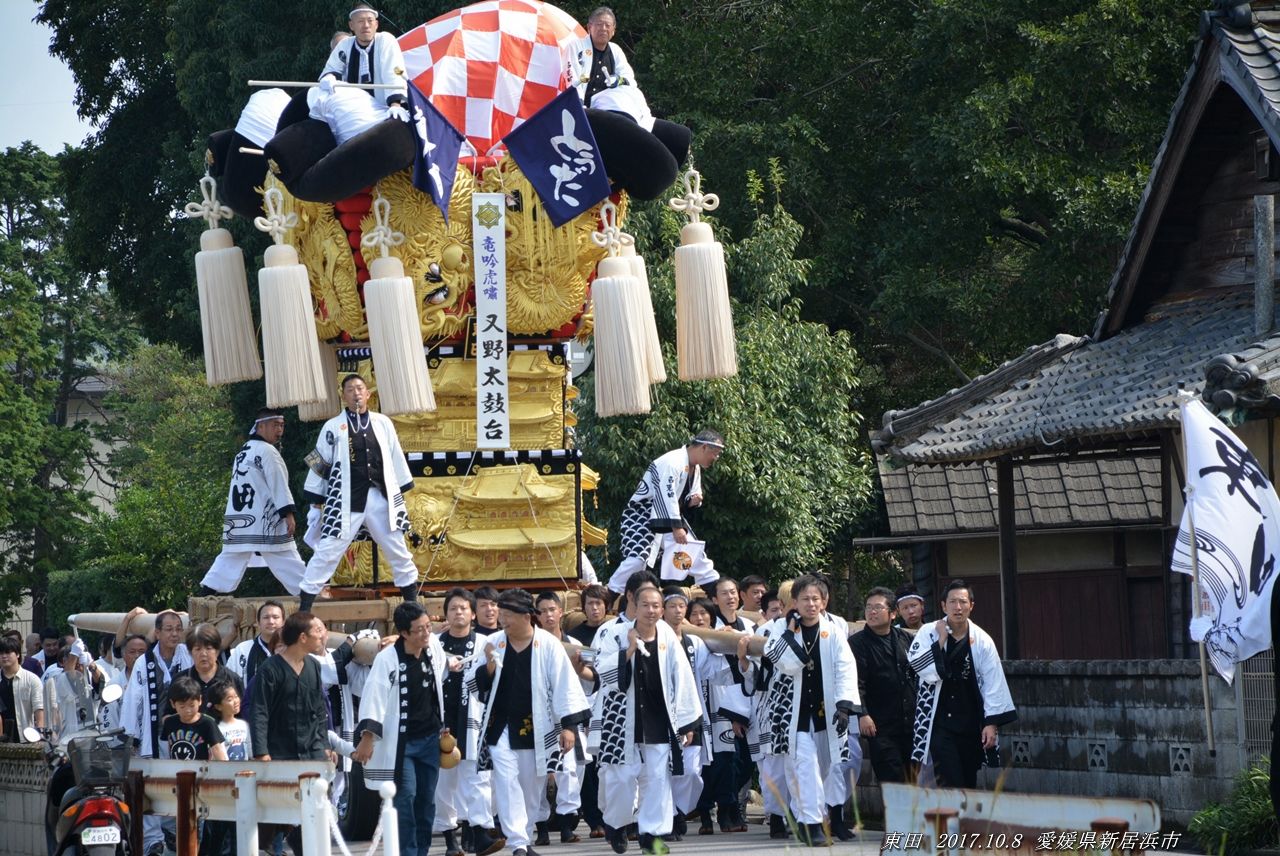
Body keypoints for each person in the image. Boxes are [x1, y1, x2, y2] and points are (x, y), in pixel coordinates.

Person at [471, 590, 591, 856]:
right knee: (506, 779)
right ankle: (517, 845)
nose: (502, 620)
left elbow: (565, 687)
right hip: (499, 727)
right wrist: (489, 665)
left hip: (537, 728)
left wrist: (569, 727)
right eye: (500, 615)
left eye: (508, 616)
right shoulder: (493, 642)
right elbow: (473, 683)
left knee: (530, 786)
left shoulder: (548, 645)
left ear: (527, 617)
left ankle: (523, 839)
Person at [752, 575, 861, 847]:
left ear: (824, 602)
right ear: (794, 603)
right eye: (805, 599)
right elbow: (784, 662)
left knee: (823, 768)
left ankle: (803, 818)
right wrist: (790, 632)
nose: (811, 604)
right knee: (805, 767)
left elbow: (845, 667)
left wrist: (845, 706)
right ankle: (812, 825)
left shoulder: (833, 630)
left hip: (826, 712)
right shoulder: (778, 628)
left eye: (816, 599)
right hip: (793, 714)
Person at [592, 583, 700, 855]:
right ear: (634, 606)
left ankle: (651, 835)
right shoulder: (614, 633)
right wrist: (627, 651)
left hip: (658, 718)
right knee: (620, 779)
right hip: (621, 720)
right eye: (645, 605)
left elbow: (682, 677)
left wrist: (687, 723)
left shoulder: (667, 636)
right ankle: (616, 824)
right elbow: (600, 673)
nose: (651, 611)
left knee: (656, 780)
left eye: (656, 606)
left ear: (661, 609)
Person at [300, 374, 420, 612]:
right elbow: (319, 461)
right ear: (343, 396)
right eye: (350, 389)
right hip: (345, 499)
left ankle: (412, 603)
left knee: (396, 546)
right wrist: (316, 501)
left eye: (360, 388)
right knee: (328, 550)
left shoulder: (382, 422)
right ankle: (304, 607)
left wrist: (402, 488)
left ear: (368, 394)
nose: (356, 393)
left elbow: (395, 454)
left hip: (379, 495)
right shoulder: (333, 425)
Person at [354, 601, 454, 856]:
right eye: (419, 629)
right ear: (404, 633)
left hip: (430, 738)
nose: (426, 633)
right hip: (402, 744)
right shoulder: (387, 659)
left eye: (428, 627)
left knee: (426, 801)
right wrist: (367, 738)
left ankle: (422, 850)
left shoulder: (433, 648)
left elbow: (438, 686)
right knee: (405, 797)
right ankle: (407, 852)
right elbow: (374, 696)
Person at [906, 580, 1016, 789]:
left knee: (968, 779)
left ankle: (962, 820)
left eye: (963, 602)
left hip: (969, 721)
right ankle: (953, 821)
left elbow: (994, 682)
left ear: (971, 606)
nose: (958, 607)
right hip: (938, 721)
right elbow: (918, 666)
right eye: (953, 602)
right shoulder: (928, 632)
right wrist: (940, 640)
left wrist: (991, 723)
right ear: (943, 606)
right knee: (949, 779)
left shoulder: (982, 640)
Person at [199, 410, 307, 597]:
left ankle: (206, 592)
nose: (280, 429)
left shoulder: (244, 450)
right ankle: (308, 593)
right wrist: (288, 513)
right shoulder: (267, 451)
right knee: (285, 556)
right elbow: (277, 483)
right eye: (275, 425)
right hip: (264, 518)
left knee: (231, 557)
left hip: (240, 518)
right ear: (261, 426)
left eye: (281, 425)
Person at [610, 430, 726, 596]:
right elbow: (665, 495)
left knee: (692, 553)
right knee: (637, 559)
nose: (715, 458)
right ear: (705, 447)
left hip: (668, 516)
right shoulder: (673, 461)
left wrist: (692, 500)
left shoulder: (694, 467)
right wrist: (676, 527)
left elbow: (682, 497)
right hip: (642, 513)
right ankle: (610, 593)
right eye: (715, 453)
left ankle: (717, 593)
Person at [434, 589, 504, 856]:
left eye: (464, 608)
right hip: (442, 722)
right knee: (444, 784)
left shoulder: (484, 644)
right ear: (446, 614)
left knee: (477, 780)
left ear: (473, 614)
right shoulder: (434, 643)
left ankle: (480, 833)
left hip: (473, 721)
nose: (458, 612)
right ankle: (451, 840)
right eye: (453, 608)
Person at [696, 577, 753, 835]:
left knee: (743, 760)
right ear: (714, 599)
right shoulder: (709, 629)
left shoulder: (749, 626)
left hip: (747, 700)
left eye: (733, 592)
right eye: (724, 593)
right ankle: (719, 808)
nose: (730, 597)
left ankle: (729, 806)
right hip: (718, 702)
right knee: (721, 761)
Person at [662, 586, 717, 841]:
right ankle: (669, 816)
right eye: (671, 606)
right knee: (664, 770)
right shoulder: (655, 639)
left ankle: (679, 809)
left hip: (690, 715)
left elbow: (712, 671)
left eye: (681, 606)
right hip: (660, 715)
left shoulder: (694, 642)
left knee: (691, 770)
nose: (677, 611)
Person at [532, 592, 586, 845]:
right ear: (536, 615)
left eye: (552, 609)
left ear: (561, 611)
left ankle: (566, 825)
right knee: (539, 773)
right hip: (537, 716)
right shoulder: (530, 643)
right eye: (542, 611)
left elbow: (587, 682)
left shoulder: (574, 644)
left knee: (569, 772)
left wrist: (581, 668)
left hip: (564, 715)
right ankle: (541, 828)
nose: (548, 615)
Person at [850, 587, 917, 786]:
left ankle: (909, 818)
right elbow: (856, 683)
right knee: (892, 778)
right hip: (879, 724)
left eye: (878, 607)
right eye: (868, 607)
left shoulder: (905, 638)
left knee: (912, 779)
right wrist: (862, 714)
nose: (871, 612)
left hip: (909, 721)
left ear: (893, 613)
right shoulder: (857, 643)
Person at [318, 3, 408, 114]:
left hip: (384, 108)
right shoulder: (344, 45)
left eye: (370, 21)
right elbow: (332, 69)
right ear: (351, 25)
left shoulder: (386, 40)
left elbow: (393, 72)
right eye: (360, 21)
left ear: (376, 24)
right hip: (352, 110)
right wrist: (329, 78)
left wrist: (395, 105)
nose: (366, 25)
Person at [180, 623, 245, 718]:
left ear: (217, 650)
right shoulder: (181, 680)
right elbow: (169, 714)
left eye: (208, 648)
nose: (203, 654)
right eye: (197, 649)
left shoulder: (232, 679)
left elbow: (242, 715)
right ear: (190, 652)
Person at [161, 677, 227, 762]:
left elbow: (217, 749)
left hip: (201, 771)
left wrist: (224, 769)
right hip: (176, 771)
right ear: (173, 704)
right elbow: (166, 748)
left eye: (192, 705)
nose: (188, 710)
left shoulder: (208, 723)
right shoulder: (169, 722)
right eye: (182, 706)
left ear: (200, 700)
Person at [226, 601, 286, 686]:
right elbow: (228, 681)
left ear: (283, 622)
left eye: (275, 617)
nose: (271, 621)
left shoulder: (292, 649)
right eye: (266, 617)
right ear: (258, 623)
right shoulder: (243, 649)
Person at [0, 635, 44, 742]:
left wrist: (40, 735)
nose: (4, 656)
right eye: (1, 653)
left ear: (18, 654)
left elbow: (39, 709)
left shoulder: (31, 679)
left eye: (8, 652)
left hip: (25, 738)